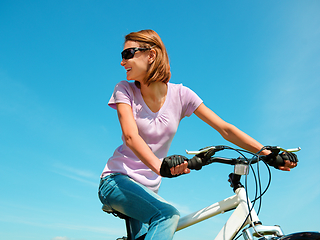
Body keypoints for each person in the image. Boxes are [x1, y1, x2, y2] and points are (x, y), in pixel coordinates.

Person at [98, 29, 297, 240]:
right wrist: (160, 166)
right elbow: (130, 136)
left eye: (128, 54)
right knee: (167, 215)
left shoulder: (182, 95)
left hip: (149, 189)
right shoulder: (124, 89)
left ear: (151, 55)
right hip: (116, 180)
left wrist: (266, 153)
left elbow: (224, 129)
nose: (122, 62)